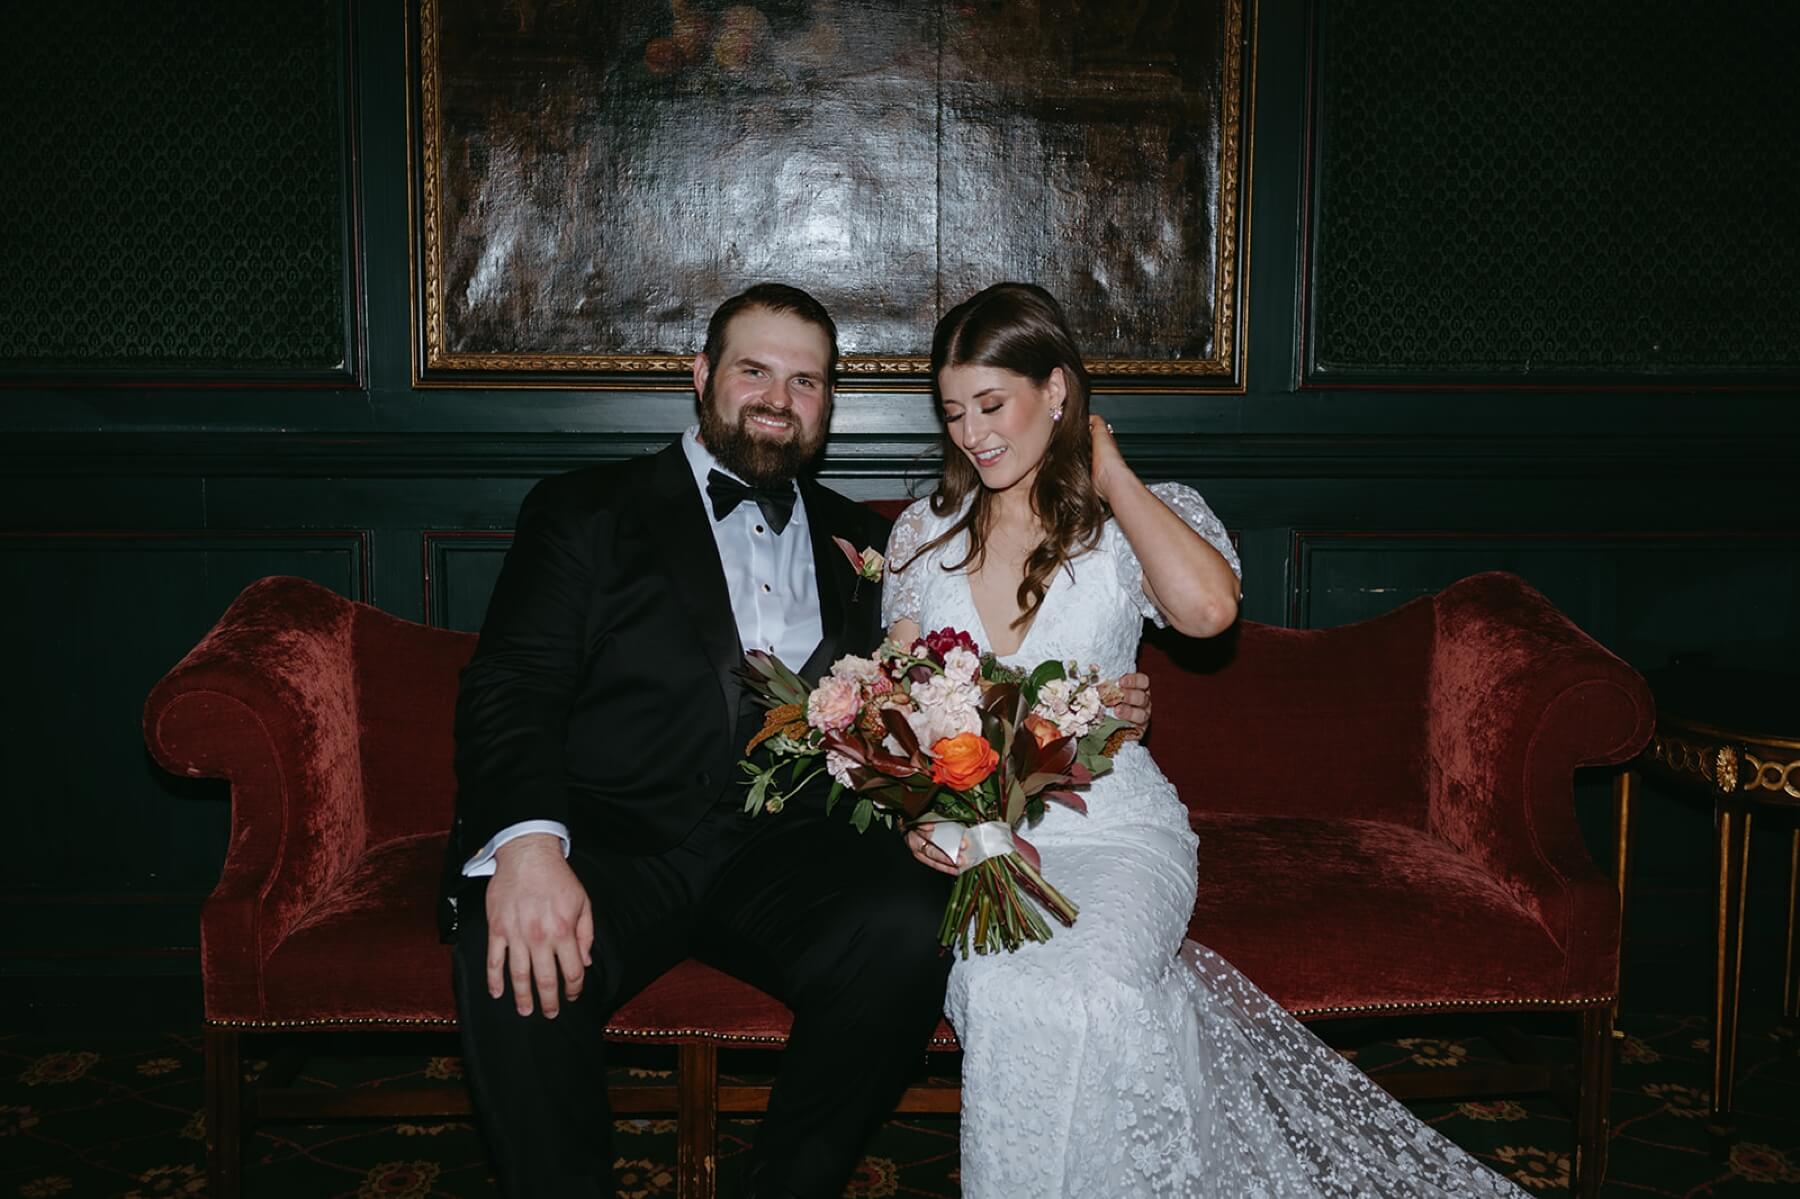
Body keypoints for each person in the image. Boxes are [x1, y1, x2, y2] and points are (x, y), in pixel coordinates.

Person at [438, 281, 1155, 1198]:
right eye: (755, 370)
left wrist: (1097, 702)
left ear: (828, 405)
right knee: (509, 954)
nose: (779, 398)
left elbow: (958, 677)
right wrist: (530, 847)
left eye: (807, 381)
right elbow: (513, 686)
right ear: (702, 377)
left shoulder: (871, 545)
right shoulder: (586, 510)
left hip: (787, 849)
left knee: (908, 923)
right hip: (613, 842)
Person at [885, 282, 1528, 1197]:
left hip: (1114, 829)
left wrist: (1109, 475)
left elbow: (1209, 610)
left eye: (993, 404)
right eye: (953, 413)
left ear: (1058, 389)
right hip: (979, 843)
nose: (972, 433)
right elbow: (900, 709)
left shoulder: (1130, 522)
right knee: (1007, 996)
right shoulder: (923, 533)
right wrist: (916, 805)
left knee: (1100, 994)